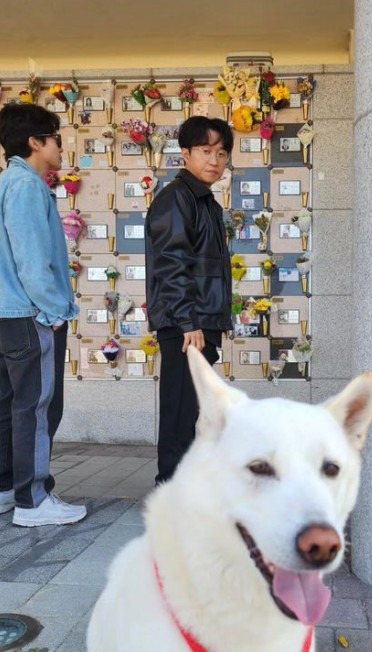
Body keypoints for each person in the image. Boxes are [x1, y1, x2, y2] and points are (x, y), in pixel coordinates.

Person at [0, 103, 86, 526]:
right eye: (55, 138)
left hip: (5, 314)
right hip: (29, 313)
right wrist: (54, 311)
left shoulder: (5, 182)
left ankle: (6, 488)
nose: (61, 145)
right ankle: (33, 501)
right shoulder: (28, 186)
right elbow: (32, 261)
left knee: (8, 404)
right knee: (36, 407)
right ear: (35, 143)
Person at [145, 116, 233, 484]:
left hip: (198, 322)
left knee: (190, 408)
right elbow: (171, 263)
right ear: (185, 154)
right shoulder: (177, 199)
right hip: (187, 326)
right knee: (180, 410)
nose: (214, 160)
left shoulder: (203, 201)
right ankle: (172, 489)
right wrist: (187, 322)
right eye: (205, 151)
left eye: (222, 152)